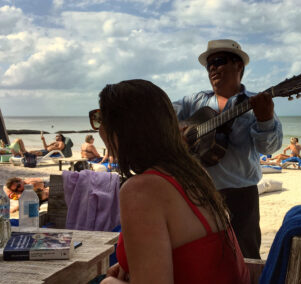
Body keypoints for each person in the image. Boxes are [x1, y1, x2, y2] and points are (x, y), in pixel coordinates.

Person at [91, 80, 250, 284]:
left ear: (121, 128)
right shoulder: (194, 172)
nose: (98, 129)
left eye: (99, 118)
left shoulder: (141, 190)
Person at [172, 39, 283, 259]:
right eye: (209, 64)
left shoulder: (256, 103)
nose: (212, 68)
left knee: (245, 256)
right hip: (198, 192)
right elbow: (162, 116)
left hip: (241, 195)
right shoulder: (194, 101)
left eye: (219, 61)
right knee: (201, 255)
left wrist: (266, 119)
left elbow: (269, 146)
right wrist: (178, 132)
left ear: (239, 66)